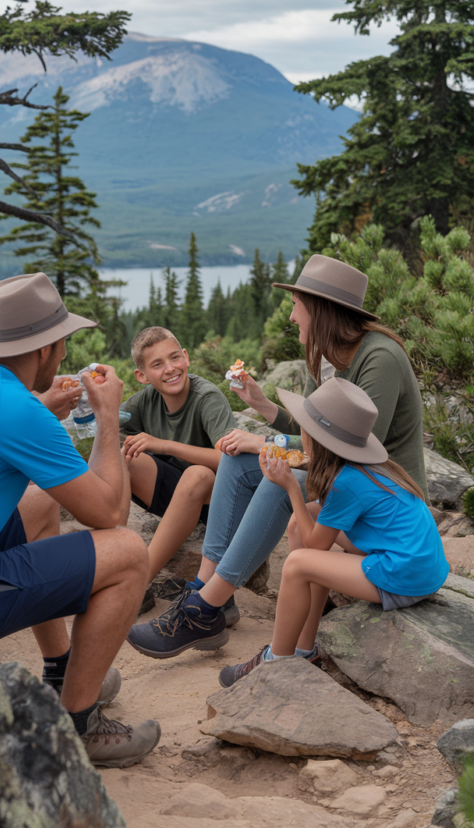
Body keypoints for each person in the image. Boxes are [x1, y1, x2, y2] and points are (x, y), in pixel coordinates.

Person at [0, 272, 160, 768]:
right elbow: (109, 513)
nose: (63, 352)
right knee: (128, 554)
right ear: (46, 348)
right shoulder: (16, 411)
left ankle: (63, 670)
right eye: (62, 341)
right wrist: (109, 418)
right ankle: (79, 726)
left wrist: (41, 407)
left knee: (40, 505)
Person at [127, 254, 428, 659]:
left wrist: (269, 446)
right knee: (238, 459)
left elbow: (349, 452)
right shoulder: (322, 354)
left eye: (295, 305)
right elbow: (317, 432)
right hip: (341, 482)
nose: (291, 317)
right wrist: (265, 407)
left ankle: (202, 608)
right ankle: (208, 593)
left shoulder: (380, 358)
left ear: (319, 309)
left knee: (276, 473)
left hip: (384, 501)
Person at [218, 377, 449, 686]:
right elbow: (313, 530)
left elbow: (315, 544)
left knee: (298, 564)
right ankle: (304, 648)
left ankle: (277, 661)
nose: (299, 432)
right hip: (418, 563)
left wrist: (290, 487)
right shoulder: (366, 467)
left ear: (317, 437)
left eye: (302, 426)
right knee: (301, 522)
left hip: (405, 574)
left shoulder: (346, 483)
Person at [120, 327, 238, 610]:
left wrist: (165, 445)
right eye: (157, 364)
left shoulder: (206, 397)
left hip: (217, 501)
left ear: (186, 358)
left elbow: (230, 460)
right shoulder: (144, 400)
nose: (170, 369)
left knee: (197, 474)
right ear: (142, 376)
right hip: (177, 496)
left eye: (174, 358)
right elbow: (109, 432)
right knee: (120, 455)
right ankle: (115, 561)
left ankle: (137, 583)